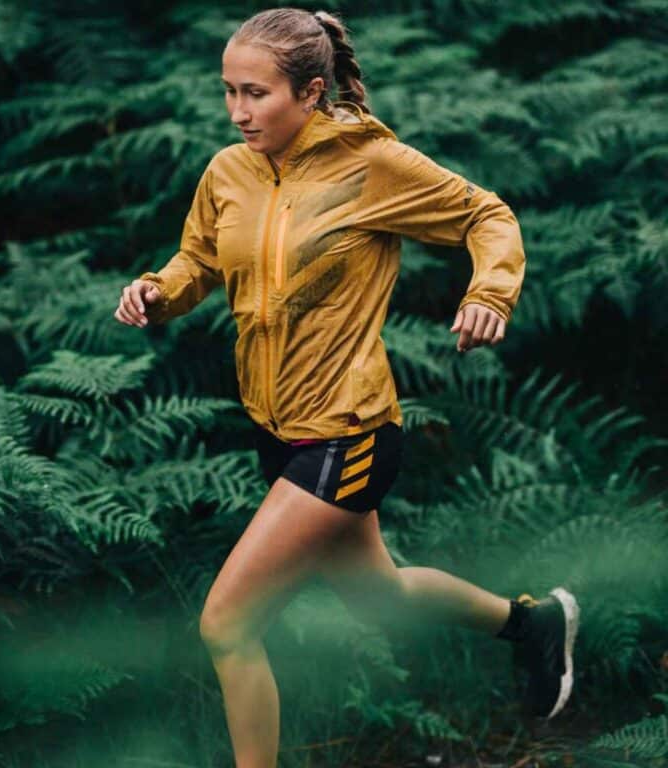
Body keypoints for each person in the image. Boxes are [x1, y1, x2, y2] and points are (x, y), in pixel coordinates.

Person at [114, 8, 580, 767]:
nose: (238, 111)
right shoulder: (228, 170)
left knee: (227, 626)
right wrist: (156, 292)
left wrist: (488, 295)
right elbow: (198, 258)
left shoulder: (371, 165)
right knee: (378, 595)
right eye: (229, 91)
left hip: (348, 430)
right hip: (278, 427)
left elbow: (485, 215)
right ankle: (530, 625)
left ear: (311, 90)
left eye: (256, 93)